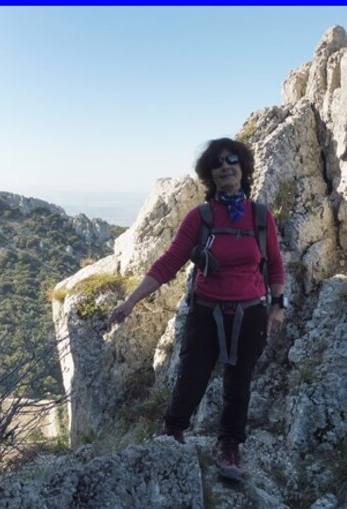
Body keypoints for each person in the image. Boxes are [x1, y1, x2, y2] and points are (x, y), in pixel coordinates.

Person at [108, 137, 286, 482]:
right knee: (192, 376)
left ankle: (229, 446)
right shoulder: (200, 217)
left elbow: (275, 266)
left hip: (250, 314)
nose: (225, 167)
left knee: (239, 383)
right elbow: (169, 262)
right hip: (207, 312)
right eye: (217, 163)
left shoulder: (261, 217)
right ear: (210, 174)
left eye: (231, 160)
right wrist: (131, 300)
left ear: (243, 167)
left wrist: (277, 306)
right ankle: (172, 432)